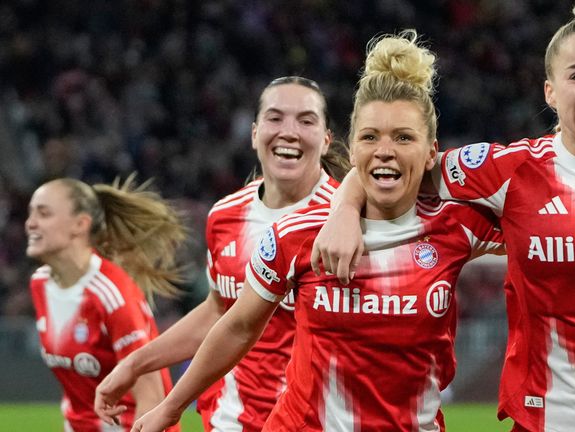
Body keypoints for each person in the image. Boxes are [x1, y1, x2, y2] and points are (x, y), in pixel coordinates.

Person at [311, 2, 575, 431]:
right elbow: (404, 163)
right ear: (550, 92)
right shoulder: (507, 171)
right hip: (547, 419)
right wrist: (345, 206)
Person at [127, 30, 509, 432]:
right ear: (352, 145)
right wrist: (170, 408)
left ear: (433, 151)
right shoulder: (297, 234)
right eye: (369, 137)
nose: (384, 150)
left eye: (403, 137)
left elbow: (539, 217)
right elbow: (236, 326)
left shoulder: (458, 225)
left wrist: (347, 201)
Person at [94, 76, 349, 431]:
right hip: (230, 418)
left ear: (325, 141)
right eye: (275, 118)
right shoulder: (225, 214)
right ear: (254, 133)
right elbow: (219, 310)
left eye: (305, 120)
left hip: (312, 421)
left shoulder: (345, 221)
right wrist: (135, 364)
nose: (288, 131)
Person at [25, 175, 185, 432]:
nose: (30, 223)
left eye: (43, 214)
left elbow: (151, 399)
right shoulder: (40, 284)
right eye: (30, 214)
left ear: (80, 224)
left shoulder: (113, 295)